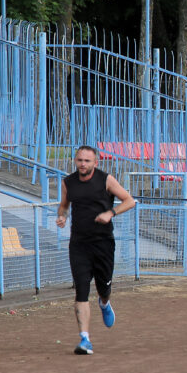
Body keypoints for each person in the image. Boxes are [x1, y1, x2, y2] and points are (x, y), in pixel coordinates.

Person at [56, 145, 136, 355]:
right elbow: (64, 204)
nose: (82, 164)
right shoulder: (68, 182)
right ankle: (85, 339)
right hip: (79, 244)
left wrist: (111, 213)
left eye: (87, 161)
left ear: (95, 163)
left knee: (103, 287)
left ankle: (104, 302)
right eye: (79, 160)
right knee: (81, 290)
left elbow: (129, 201)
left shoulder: (106, 180)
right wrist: (62, 216)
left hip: (103, 243)